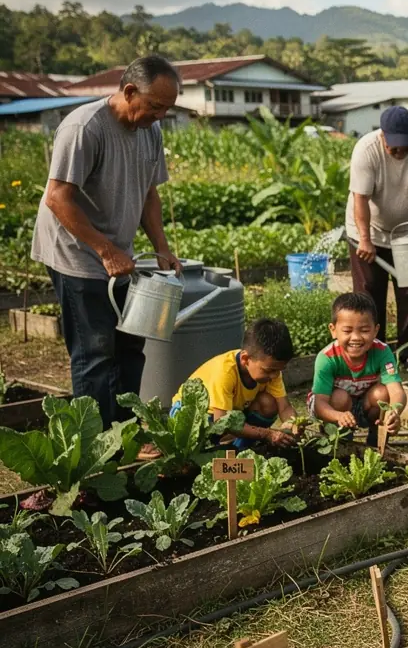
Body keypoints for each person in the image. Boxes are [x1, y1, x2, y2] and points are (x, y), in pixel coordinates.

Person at [31, 55, 184, 427]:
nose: (160, 115)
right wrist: (105, 249)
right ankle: (96, 446)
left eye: (167, 108)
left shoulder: (151, 130)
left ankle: (126, 433)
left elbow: (150, 194)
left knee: (131, 342)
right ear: (129, 92)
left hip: (118, 254)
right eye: (155, 106)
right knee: (96, 350)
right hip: (76, 252)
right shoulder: (85, 128)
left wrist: (161, 247)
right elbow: (57, 198)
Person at [345, 105, 408, 370]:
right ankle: (373, 357)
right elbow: (361, 199)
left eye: (406, 146)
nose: (400, 152)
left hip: (407, 232)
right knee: (369, 295)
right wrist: (365, 239)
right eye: (394, 147)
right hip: (368, 232)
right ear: (382, 137)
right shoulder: (366, 150)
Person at [173, 318, 297, 449]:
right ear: (245, 359)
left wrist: (293, 423)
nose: (274, 376)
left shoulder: (272, 371)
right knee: (203, 449)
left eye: (279, 370)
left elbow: (284, 407)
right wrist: (267, 434)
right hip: (194, 416)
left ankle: (240, 449)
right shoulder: (225, 371)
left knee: (268, 403)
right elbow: (221, 421)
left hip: (228, 416)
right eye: (269, 371)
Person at [307, 292, 405, 440]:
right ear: (333, 330)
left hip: (363, 404)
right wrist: (338, 416)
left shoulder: (382, 351)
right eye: (347, 331)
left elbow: (397, 391)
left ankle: (376, 441)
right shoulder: (327, 358)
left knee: (382, 393)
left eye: (365, 330)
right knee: (340, 397)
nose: (356, 338)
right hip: (333, 407)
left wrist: (395, 411)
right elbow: (320, 403)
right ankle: (339, 440)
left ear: (375, 330)